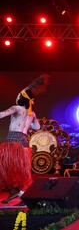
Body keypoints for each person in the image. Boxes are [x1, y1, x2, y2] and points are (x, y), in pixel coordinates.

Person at [0, 75, 49, 204]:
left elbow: (1, 115)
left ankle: (17, 191)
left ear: (21, 97)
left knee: (6, 169)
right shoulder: (31, 113)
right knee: (22, 170)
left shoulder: (16, 108)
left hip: (14, 141)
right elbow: (37, 127)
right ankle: (19, 192)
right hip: (25, 142)